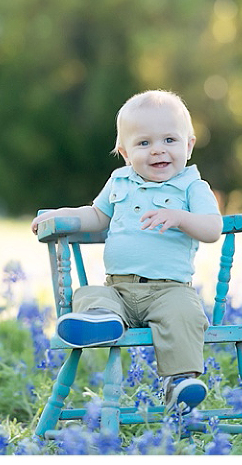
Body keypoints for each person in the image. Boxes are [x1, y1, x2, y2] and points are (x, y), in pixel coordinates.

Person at [32, 89, 221, 411]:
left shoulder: (192, 186)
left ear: (189, 145)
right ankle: (102, 320)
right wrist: (62, 214)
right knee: (89, 294)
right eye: (144, 143)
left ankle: (179, 381)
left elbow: (212, 229)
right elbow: (95, 216)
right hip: (118, 288)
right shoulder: (120, 182)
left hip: (170, 291)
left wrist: (180, 217)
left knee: (185, 315)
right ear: (124, 152)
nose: (158, 150)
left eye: (169, 141)